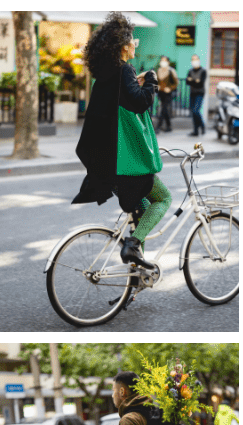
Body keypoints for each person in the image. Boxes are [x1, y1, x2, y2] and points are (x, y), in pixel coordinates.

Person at [72, 12, 171, 272]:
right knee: (163, 199)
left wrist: (135, 85)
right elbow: (139, 103)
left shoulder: (105, 76)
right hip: (124, 163)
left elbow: (123, 103)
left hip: (104, 164)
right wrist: (151, 82)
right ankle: (133, 245)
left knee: (143, 208)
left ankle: (136, 274)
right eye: (134, 41)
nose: (135, 45)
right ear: (123, 46)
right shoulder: (124, 69)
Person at [186, 55, 207, 136]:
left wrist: (192, 80)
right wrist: (196, 81)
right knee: (193, 112)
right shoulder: (190, 71)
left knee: (196, 110)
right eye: (193, 59)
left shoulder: (203, 71)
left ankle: (202, 125)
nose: (194, 61)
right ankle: (195, 131)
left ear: (199, 60)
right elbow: (187, 82)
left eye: (196, 59)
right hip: (192, 93)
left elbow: (200, 83)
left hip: (200, 93)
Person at [155, 56, 178, 133]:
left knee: (163, 109)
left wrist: (170, 88)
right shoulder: (158, 70)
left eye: (164, 61)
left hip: (168, 93)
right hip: (161, 93)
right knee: (165, 110)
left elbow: (176, 83)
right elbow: (156, 82)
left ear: (168, 62)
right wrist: (156, 88)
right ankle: (169, 126)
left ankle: (158, 127)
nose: (163, 62)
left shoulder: (171, 71)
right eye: (161, 60)